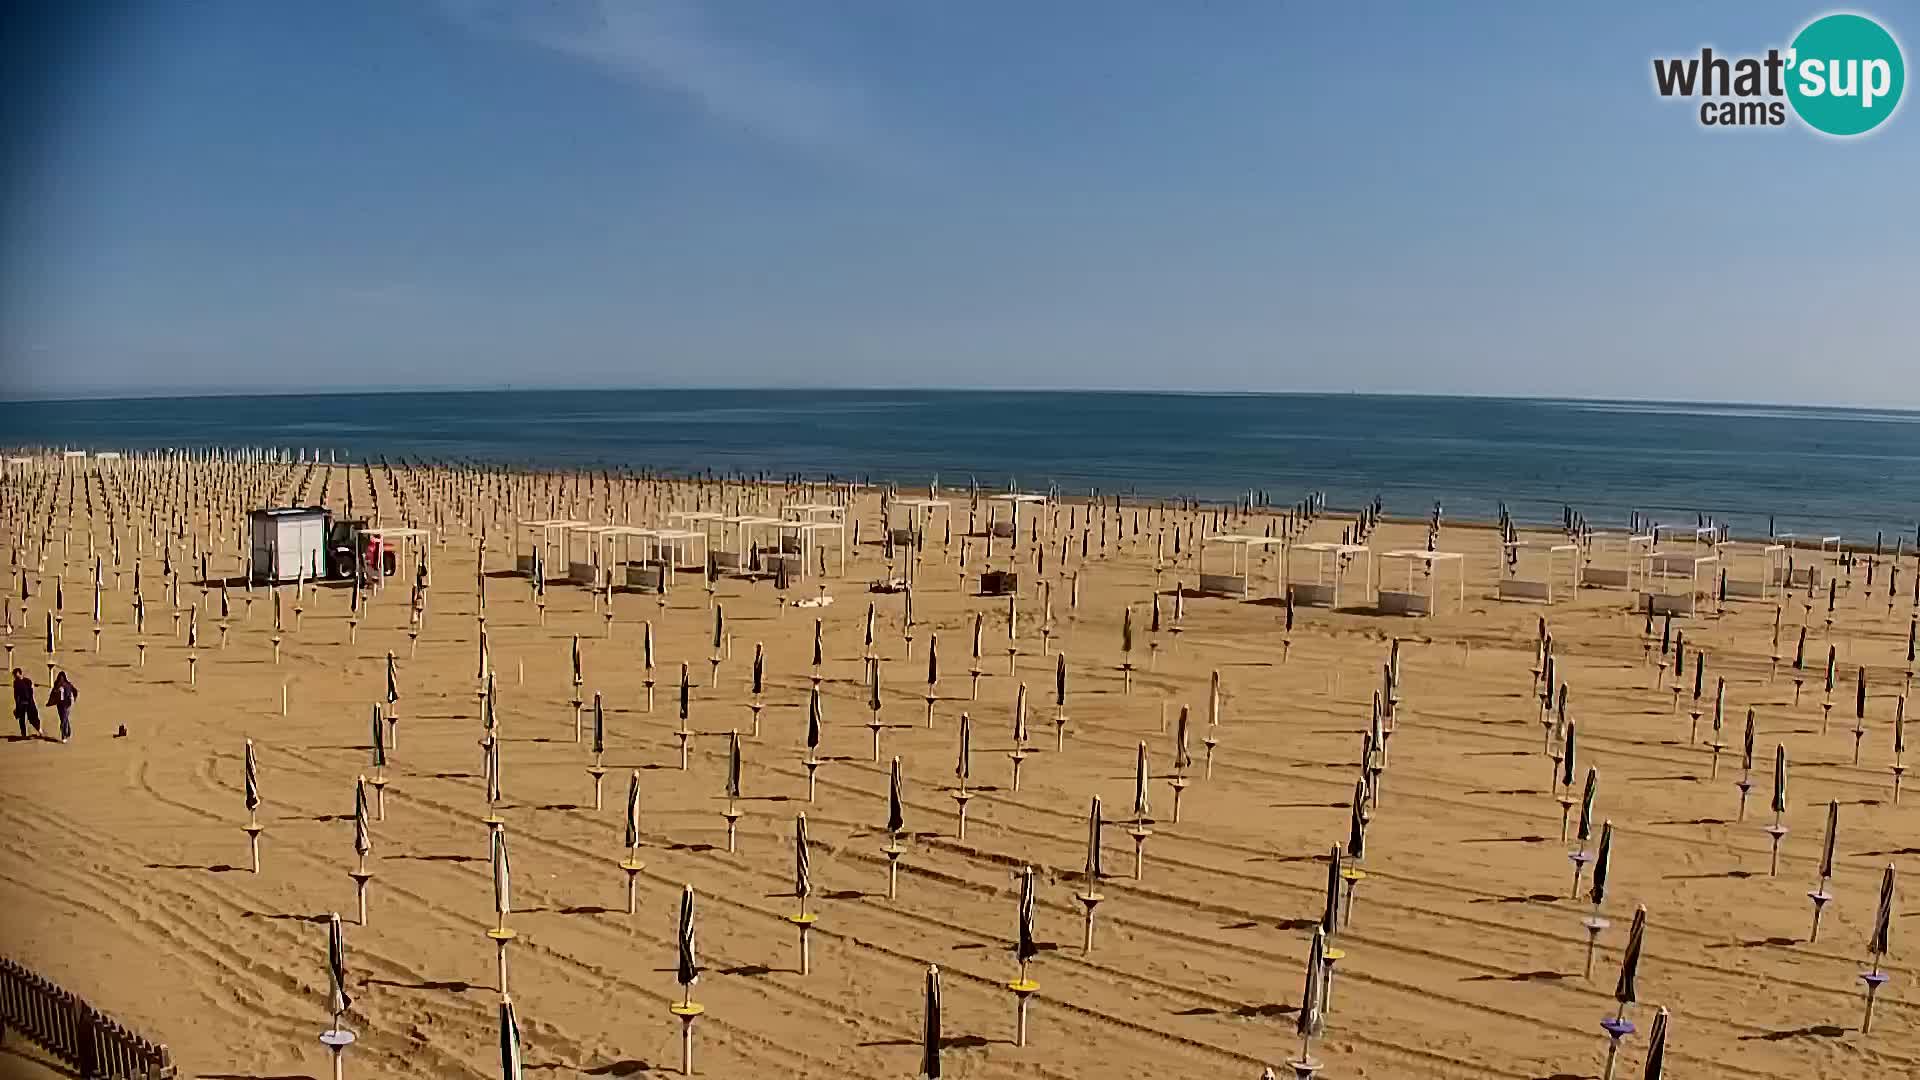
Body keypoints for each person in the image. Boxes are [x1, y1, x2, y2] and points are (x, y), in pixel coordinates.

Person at [47, 671, 78, 743]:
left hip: (67, 705)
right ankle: (68, 731)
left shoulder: (68, 685)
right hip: (60, 705)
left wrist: (74, 699)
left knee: (63, 721)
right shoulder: (57, 685)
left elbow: (75, 691)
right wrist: (50, 702)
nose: (61, 680)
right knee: (64, 719)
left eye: (62, 678)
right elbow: (52, 694)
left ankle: (64, 736)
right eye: (60, 678)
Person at [11, 669, 39, 739]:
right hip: (21, 703)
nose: (16, 677)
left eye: (17, 676)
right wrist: (17, 703)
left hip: (29, 702)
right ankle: (23, 734)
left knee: (33, 717)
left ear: (21, 674)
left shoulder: (28, 681)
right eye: (15, 676)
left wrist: (30, 701)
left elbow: (31, 692)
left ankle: (39, 730)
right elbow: (16, 694)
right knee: (22, 720)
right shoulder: (15, 683)